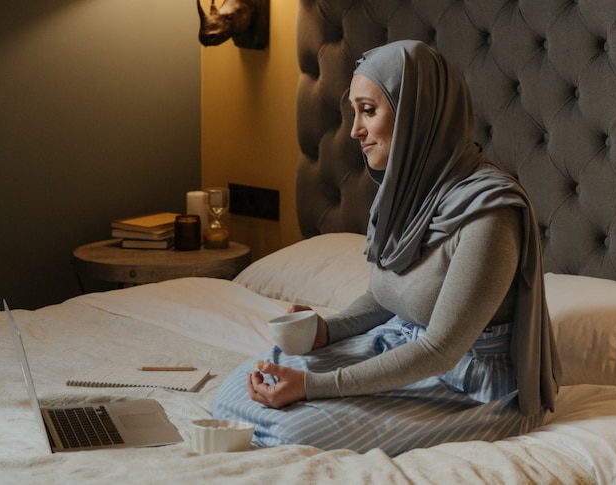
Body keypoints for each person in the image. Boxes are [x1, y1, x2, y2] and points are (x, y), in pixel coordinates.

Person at [212, 39, 561, 455]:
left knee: (290, 434)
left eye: (369, 111)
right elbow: (386, 294)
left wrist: (314, 387)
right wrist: (328, 330)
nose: (355, 129)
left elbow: (440, 350)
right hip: (398, 345)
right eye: (354, 112)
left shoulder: (489, 214)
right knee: (237, 392)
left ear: (417, 114)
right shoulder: (406, 189)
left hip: (463, 383)